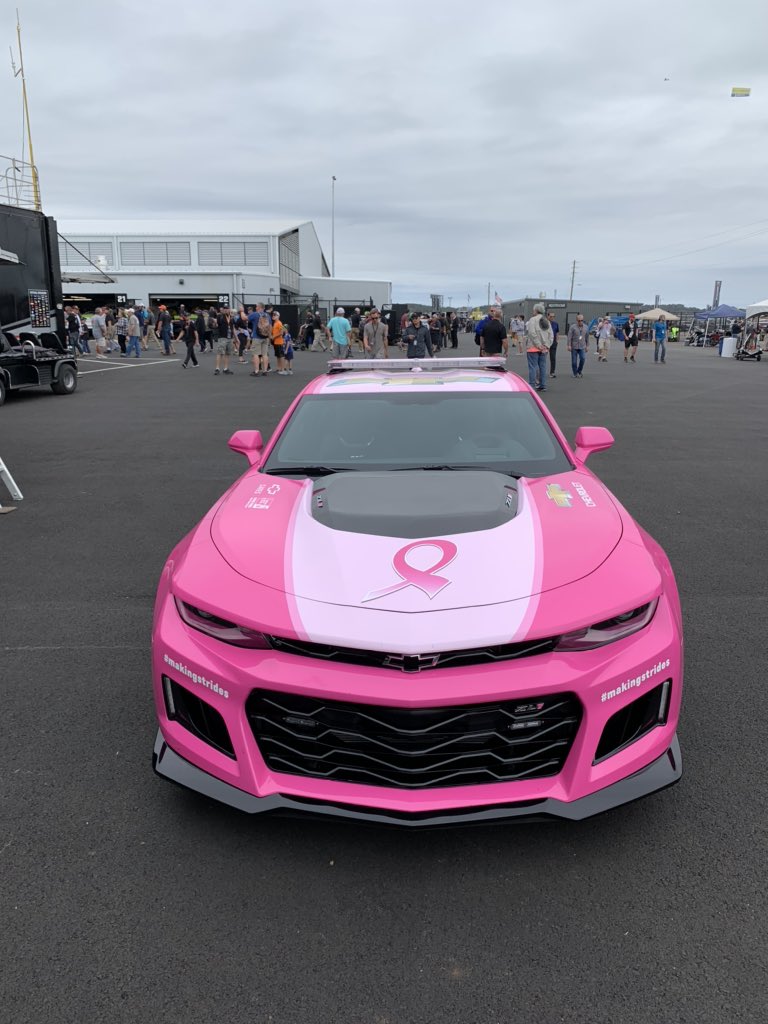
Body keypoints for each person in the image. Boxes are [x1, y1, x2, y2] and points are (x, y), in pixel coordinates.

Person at [525, 303, 552, 390]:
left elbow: (532, 333)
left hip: (533, 347)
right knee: (542, 367)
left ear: (536, 310)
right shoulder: (547, 321)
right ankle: (542, 385)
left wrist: (539, 345)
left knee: (533, 367)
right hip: (544, 349)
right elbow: (551, 335)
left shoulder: (533, 320)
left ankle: (532, 385)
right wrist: (547, 345)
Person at [214, 307, 234, 375]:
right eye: (224, 309)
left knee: (227, 353)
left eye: (227, 309)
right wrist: (214, 324)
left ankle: (225, 369)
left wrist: (235, 338)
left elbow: (232, 327)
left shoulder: (231, 317)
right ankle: (217, 368)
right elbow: (216, 325)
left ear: (229, 310)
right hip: (222, 337)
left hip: (230, 337)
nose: (226, 310)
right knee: (220, 353)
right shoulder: (220, 316)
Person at [271, 309, 288, 374]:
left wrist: (274, 337)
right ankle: (279, 369)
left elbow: (281, 332)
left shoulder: (279, 323)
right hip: (276, 342)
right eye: (273, 315)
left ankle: (283, 369)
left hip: (279, 342)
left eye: (275, 315)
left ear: (278, 316)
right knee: (278, 356)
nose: (273, 316)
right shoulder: (275, 323)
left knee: (281, 356)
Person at [547, 312, 560, 378]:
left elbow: (557, 332)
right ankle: (540, 372)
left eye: (553, 316)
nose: (552, 318)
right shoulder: (545, 323)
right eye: (551, 316)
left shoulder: (556, 324)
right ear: (548, 316)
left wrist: (557, 340)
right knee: (542, 358)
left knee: (553, 358)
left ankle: (552, 372)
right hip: (545, 343)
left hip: (553, 343)